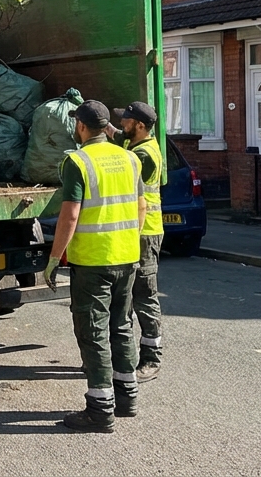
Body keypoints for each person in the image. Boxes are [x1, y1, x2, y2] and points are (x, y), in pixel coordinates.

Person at [44, 100, 147, 433]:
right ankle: (127, 398)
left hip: (93, 261)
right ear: (107, 127)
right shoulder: (130, 158)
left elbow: (70, 214)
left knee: (94, 332)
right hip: (127, 256)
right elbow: (141, 206)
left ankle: (100, 409)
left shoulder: (77, 161)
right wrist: (129, 238)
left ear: (81, 127)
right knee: (121, 326)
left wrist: (52, 259)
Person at [109, 102, 166, 383]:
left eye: (127, 121)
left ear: (140, 126)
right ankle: (127, 359)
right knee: (129, 296)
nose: (122, 124)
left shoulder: (145, 155)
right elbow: (118, 138)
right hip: (135, 232)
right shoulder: (136, 147)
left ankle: (152, 359)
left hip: (145, 233)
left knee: (144, 295)